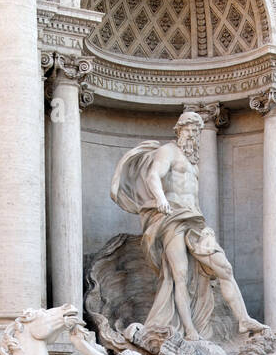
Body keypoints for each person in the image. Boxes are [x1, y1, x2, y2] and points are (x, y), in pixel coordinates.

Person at [110, 111, 264, 342]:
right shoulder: (168, 151)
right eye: (189, 129)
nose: (193, 135)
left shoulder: (193, 163)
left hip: (194, 220)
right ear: (179, 130)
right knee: (179, 276)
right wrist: (161, 199)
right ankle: (190, 330)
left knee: (224, 268)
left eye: (196, 131)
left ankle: (243, 319)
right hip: (171, 218)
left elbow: (193, 197)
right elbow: (153, 176)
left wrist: (206, 226)